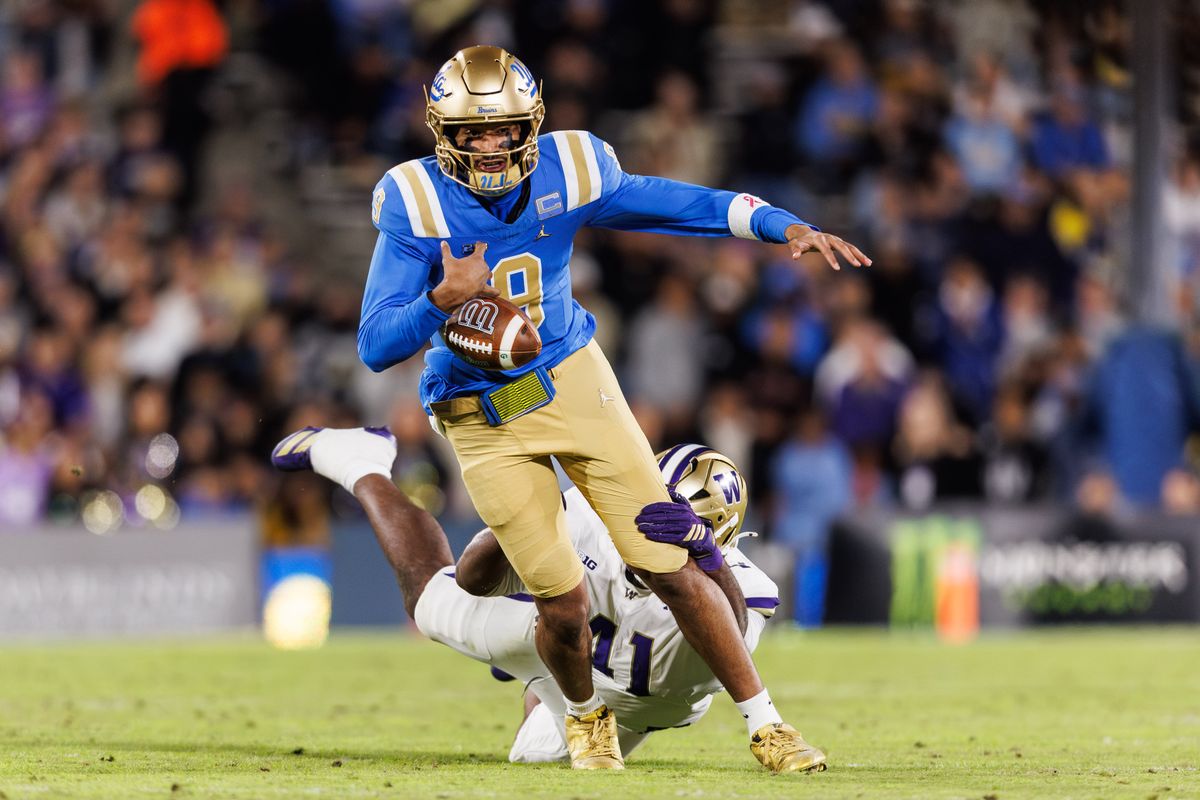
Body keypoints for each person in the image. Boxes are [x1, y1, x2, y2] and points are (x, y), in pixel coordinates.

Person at [356, 45, 869, 771]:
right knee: (559, 601)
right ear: (446, 134)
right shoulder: (415, 201)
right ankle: (586, 716)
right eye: (474, 131)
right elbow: (376, 343)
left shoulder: (572, 169)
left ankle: (767, 725)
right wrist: (441, 297)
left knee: (668, 557)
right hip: (480, 410)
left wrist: (779, 224)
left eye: (503, 127)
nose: (491, 144)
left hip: (571, 376)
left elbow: (678, 204)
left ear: (530, 124)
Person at [271, 426, 823, 771]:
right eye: (654, 515)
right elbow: (473, 579)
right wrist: (524, 523)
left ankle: (538, 679)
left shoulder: (745, 582)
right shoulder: (590, 511)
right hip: (566, 639)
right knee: (432, 601)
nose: (654, 537)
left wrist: (703, 554)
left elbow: (739, 640)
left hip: (646, 704)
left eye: (677, 527)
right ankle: (360, 463)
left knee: (530, 756)